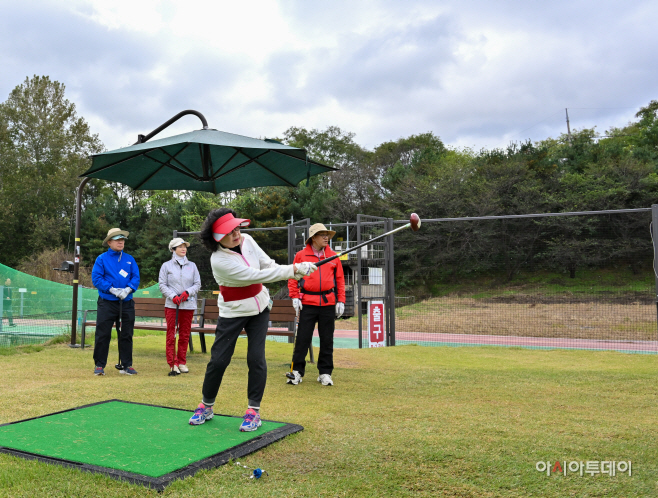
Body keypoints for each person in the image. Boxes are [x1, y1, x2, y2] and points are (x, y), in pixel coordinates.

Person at [188, 208, 317, 431]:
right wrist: (294, 269)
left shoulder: (248, 240)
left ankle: (253, 411)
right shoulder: (219, 260)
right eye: (230, 232)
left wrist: (294, 271)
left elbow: (267, 265)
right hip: (233, 312)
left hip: (260, 308)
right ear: (218, 237)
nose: (237, 233)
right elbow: (256, 276)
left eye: (237, 228)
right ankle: (206, 405)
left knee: (256, 358)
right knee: (218, 360)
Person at [287, 223, 346, 386]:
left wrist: (341, 300)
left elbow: (340, 280)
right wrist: (294, 296)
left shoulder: (333, 256)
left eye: (327, 235)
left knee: (327, 339)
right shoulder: (301, 255)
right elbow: (293, 276)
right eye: (322, 235)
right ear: (313, 238)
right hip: (307, 302)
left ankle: (325, 373)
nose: (326, 237)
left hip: (328, 302)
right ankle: (296, 372)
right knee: (302, 339)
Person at [91, 228, 141, 376]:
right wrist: (111, 289)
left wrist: (128, 290)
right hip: (107, 302)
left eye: (122, 239)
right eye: (117, 239)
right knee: (103, 334)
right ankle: (100, 365)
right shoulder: (101, 259)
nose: (121, 242)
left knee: (126, 334)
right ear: (109, 242)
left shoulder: (129, 259)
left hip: (126, 302)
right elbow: (97, 279)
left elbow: (135, 277)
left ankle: (127, 365)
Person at [158, 237, 201, 376]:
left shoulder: (192, 265)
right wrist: (173, 296)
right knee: (172, 334)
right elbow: (162, 285)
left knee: (184, 335)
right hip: (172, 305)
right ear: (173, 249)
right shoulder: (166, 266)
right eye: (180, 246)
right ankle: (173, 363)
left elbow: (197, 284)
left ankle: (182, 362)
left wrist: (187, 293)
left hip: (188, 305)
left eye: (185, 246)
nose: (183, 249)